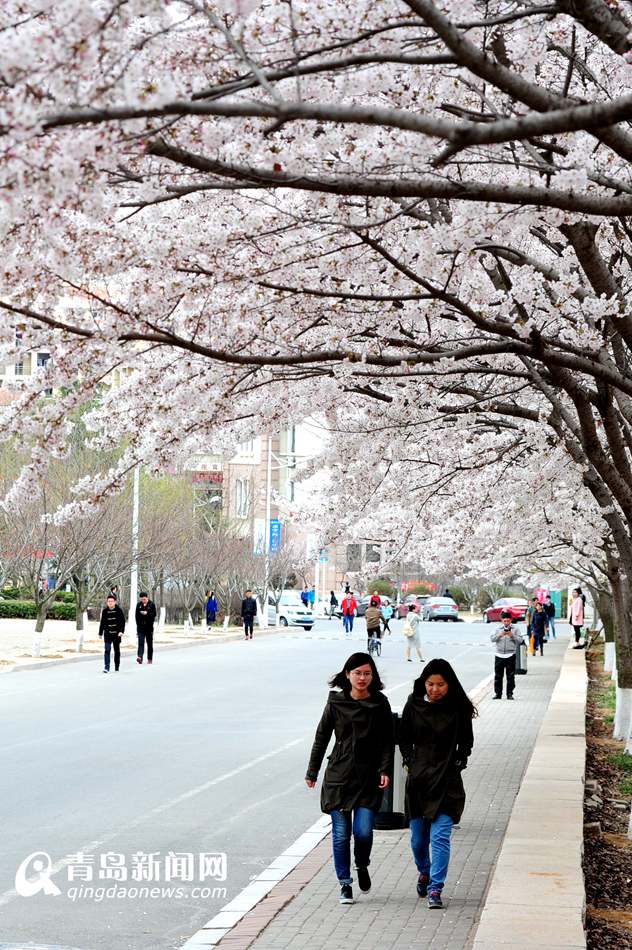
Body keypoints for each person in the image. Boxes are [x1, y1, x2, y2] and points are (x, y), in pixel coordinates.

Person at [305, 653, 393, 905]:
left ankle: (362, 864)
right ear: (347, 675)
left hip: (368, 778)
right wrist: (312, 772)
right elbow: (321, 738)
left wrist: (385, 769)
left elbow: (388, 740)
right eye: (357, 673)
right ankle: (345, 884)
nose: (362, 678)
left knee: (363, 832)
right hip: (339, 777)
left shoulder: (380, 704)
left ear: (372, 675)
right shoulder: (336, 703)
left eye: (367, 673)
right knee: (341, 834)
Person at [399, 658, 477, 910]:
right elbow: (403, 738)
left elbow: (466, 742)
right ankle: (424, 871)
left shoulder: (458, 709)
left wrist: (456, 764)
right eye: (430, 684)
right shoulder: (413, 704)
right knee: (418, 841)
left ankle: (435, 888)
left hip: (447, 783)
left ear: (449, 684)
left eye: (440, 684)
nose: (435, 689)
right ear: (423, 683)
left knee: (441, 837)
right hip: (419, 782)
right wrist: (410, 762)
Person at [490, 610, 524, 699]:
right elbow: (492, 639)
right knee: (498, 676)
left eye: (508, 621)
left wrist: (512, 635)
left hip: (510, 655)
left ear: (511, 620)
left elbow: (520, 640)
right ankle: (498, 694)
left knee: (510, 676)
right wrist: (500, 635)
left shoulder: (515, 629)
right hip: (499, 655)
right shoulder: (497, 629)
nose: (506, 623)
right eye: (504, 621)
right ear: (502, 620)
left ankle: (509, 694)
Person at [99, 593, 126, 673]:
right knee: (107, 649)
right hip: (107, 633)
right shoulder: (105, 611)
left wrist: (121, 631)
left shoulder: (119, 610)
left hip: (117, 634)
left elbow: (122, 622)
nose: (110, 603)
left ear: (115, 602)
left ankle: (117, 666)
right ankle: (106, 667)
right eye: (108, 601)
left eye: (111, 601)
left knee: (116, 651)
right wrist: (100, 633)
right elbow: (102, 622)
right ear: (107, 602)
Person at [135, 592, 157, 665]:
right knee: (140, 643)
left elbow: (154, 614)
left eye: (144, 599)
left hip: (149, 628)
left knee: (149, 644)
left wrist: (147, 613)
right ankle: (140, 657)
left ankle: (150, 658)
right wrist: (137, 629)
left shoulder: (151, 604)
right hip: (141, 628)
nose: (143, 601)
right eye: (142, 599)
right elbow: (137, 617)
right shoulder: (139, 605)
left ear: (147, 598)